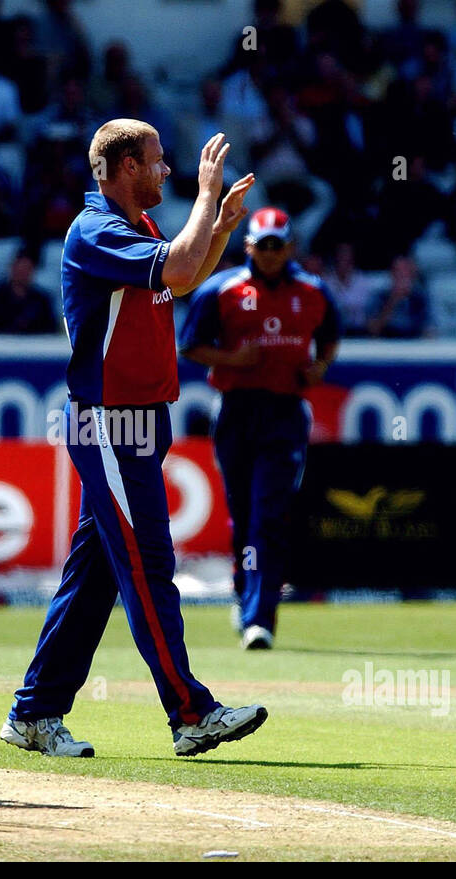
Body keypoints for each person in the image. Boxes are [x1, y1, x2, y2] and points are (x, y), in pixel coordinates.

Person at [0, 119, 269, 758]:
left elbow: (179, 278)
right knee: (149, 568)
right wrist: (206, 196)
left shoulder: (133, 227)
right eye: (155, 161)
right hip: (111, 424)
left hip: (139, 423)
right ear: (124, 167)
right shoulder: (96, 229)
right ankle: (190, 712)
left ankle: (34, 712)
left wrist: (222, 226)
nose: (166, 171)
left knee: (93, 577)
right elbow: (176, 268)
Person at [181, 207, 340, 649]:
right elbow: (190, 346)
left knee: (270, 514)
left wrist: (319, 367)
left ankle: (260, 618)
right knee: (243, 513)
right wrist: (233, 360)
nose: (270, 254)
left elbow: (329, 337)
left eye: (278, 245)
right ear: (248, 245)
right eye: (262, 245)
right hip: (236, 409)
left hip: (286, 411)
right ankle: (243, 592)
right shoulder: (222, 290)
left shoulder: (313, 291)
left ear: (290, 246)